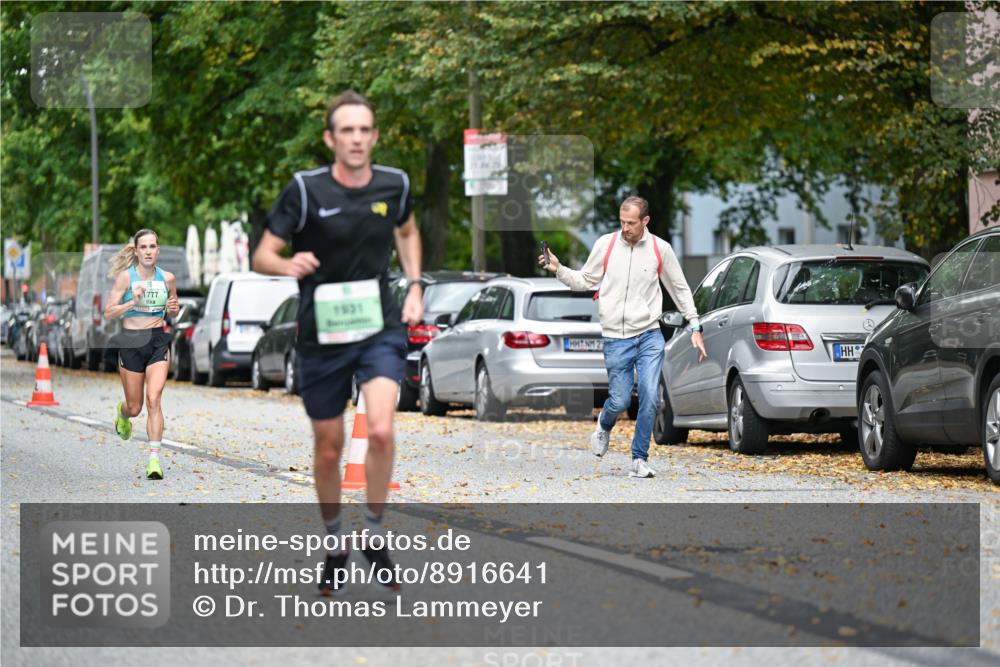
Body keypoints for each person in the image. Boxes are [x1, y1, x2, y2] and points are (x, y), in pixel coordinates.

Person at [253, 90, 422, 595]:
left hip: (378, 326)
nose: (356, 138)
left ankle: (373, 531)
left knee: (383, 430)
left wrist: (413, 286)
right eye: (346, 130)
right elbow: (263, 253)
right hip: (321, 336)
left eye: (364, 130)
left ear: (373, 136)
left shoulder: (395, 184)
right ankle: (334, 543)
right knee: (329, 449)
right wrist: (287, 264)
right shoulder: (305, 191)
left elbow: (407, 232)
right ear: (331, 138)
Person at [540, 196, 707, 478]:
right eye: (622, 222)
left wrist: (694, 325)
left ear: (645, 221)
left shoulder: (659, 249)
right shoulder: (606, 244)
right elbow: (586, 280)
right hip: (616, 336)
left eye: (631, 223)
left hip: (649, 333)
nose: (625, 227)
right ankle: (604, 425)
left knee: (651, 397)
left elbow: (679, 289)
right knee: (619, 401)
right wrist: (559, 269)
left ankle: (639, 459)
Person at [104, 229, 181, 480]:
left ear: (158, 250)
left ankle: (154, 460)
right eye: (144, 247)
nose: (148, 251)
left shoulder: (167, 278)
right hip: (131, 341)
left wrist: (173, 309)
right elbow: (108, 313)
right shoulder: (125, 279)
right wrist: (131, 303)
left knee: (154, 399)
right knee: (135, 406)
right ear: (136, 251)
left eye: (153, 246)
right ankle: (122, 413)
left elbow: (173, 309)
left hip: (158, 340)